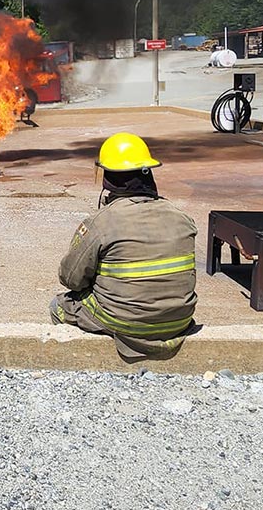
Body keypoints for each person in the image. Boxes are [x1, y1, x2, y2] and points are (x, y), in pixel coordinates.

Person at [50, 133, 198, 360]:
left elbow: (71, 279)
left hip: (125, 324)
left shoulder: (101, 222)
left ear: (109, 179)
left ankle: (82, 363)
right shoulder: (182, 218)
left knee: (60, 304)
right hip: (179, 321)